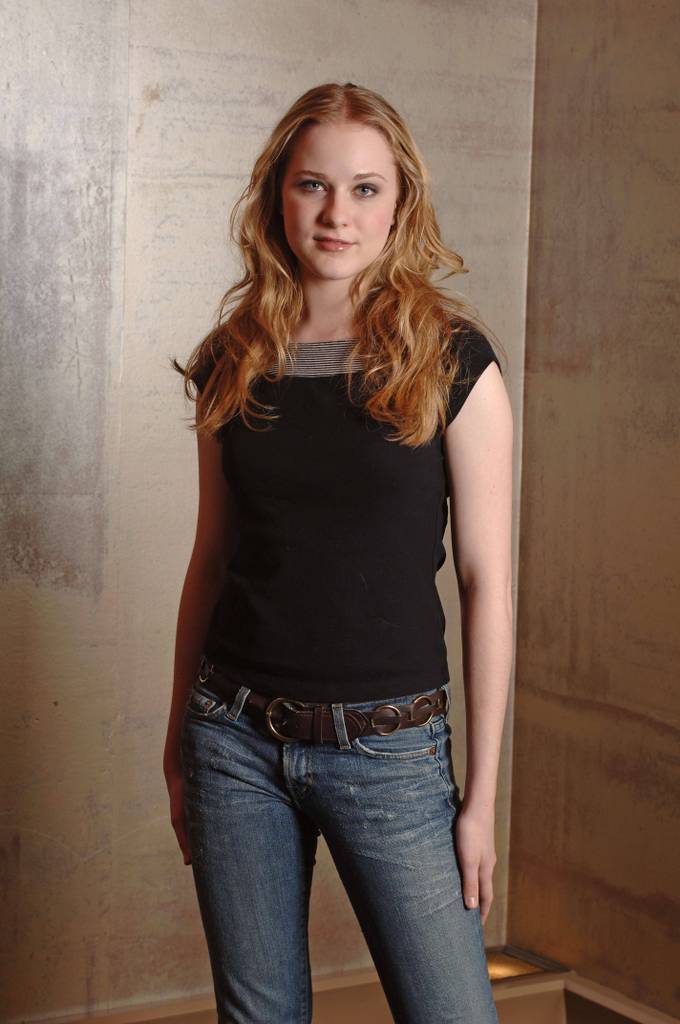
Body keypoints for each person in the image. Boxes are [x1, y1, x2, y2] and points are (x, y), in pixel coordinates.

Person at [164, 81, 513, 1024]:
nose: (336, 214)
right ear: (278, 194)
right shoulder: (232, 359)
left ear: (400, 203)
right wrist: (176, 745)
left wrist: (480, 800)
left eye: (365, 188)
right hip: (232, 739)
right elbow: (211, 560)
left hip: (392, 752)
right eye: (313, 185)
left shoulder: (452, 359)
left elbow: (486, 582)